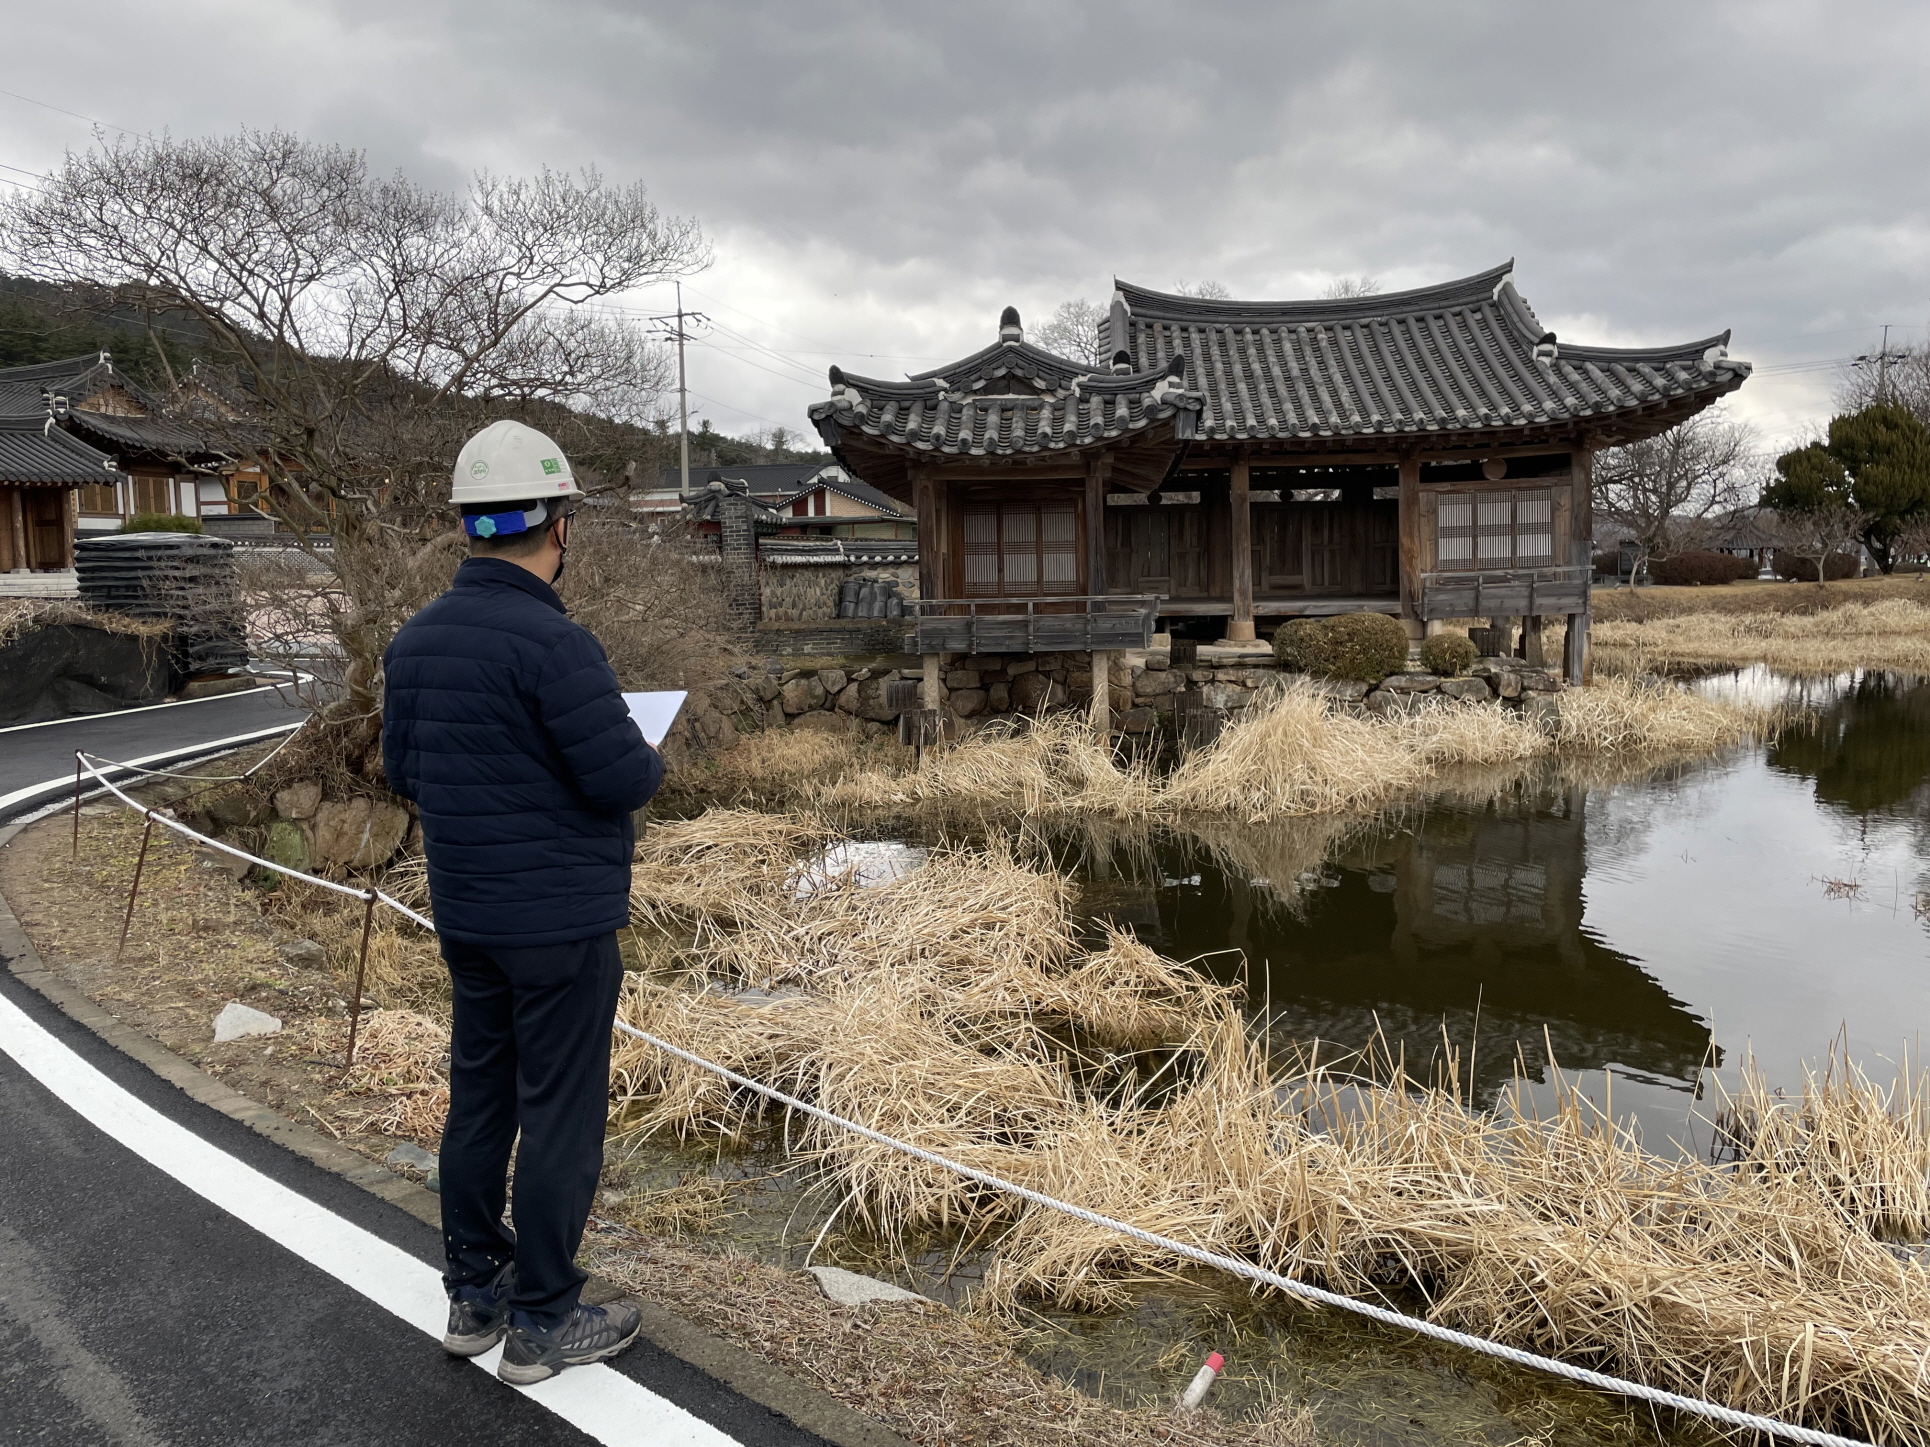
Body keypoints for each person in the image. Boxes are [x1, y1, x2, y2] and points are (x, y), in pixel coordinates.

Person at [381, 419, 664, 1384]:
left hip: (469, 914)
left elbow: (402, 769)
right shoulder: (557, 643)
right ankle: (545, 1319)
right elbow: (625, 779)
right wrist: (644, 743)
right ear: (561, 527)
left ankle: (474, 1294)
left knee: (482, 1101)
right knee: (559, 1114)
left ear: (468, 525)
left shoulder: (414, 641)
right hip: (561, 926)